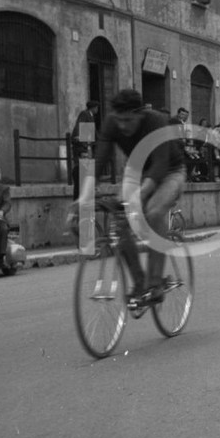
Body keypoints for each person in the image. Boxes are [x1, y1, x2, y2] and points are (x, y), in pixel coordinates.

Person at [78, 89, 187, 309]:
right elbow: (99, 161)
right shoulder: (112, 122)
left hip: (170, 171)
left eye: (128, 120)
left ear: (140, 114)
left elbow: (159, 165)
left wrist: (139, 195)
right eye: (119, 120)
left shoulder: (156, 121)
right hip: (137, 171)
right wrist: (83, 197)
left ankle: (155, 284)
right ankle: (140, 284)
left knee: (154, 212)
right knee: (120, 220)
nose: (123, 126)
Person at [70, 100, 100, 199]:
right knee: (81, 175)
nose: (97, 109)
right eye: (97, 107)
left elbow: (91, 133)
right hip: (82, 148)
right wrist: (81, 144)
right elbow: (79, 127)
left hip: (86, 146)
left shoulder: (90, 116)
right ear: (93, 107)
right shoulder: (85, 114)